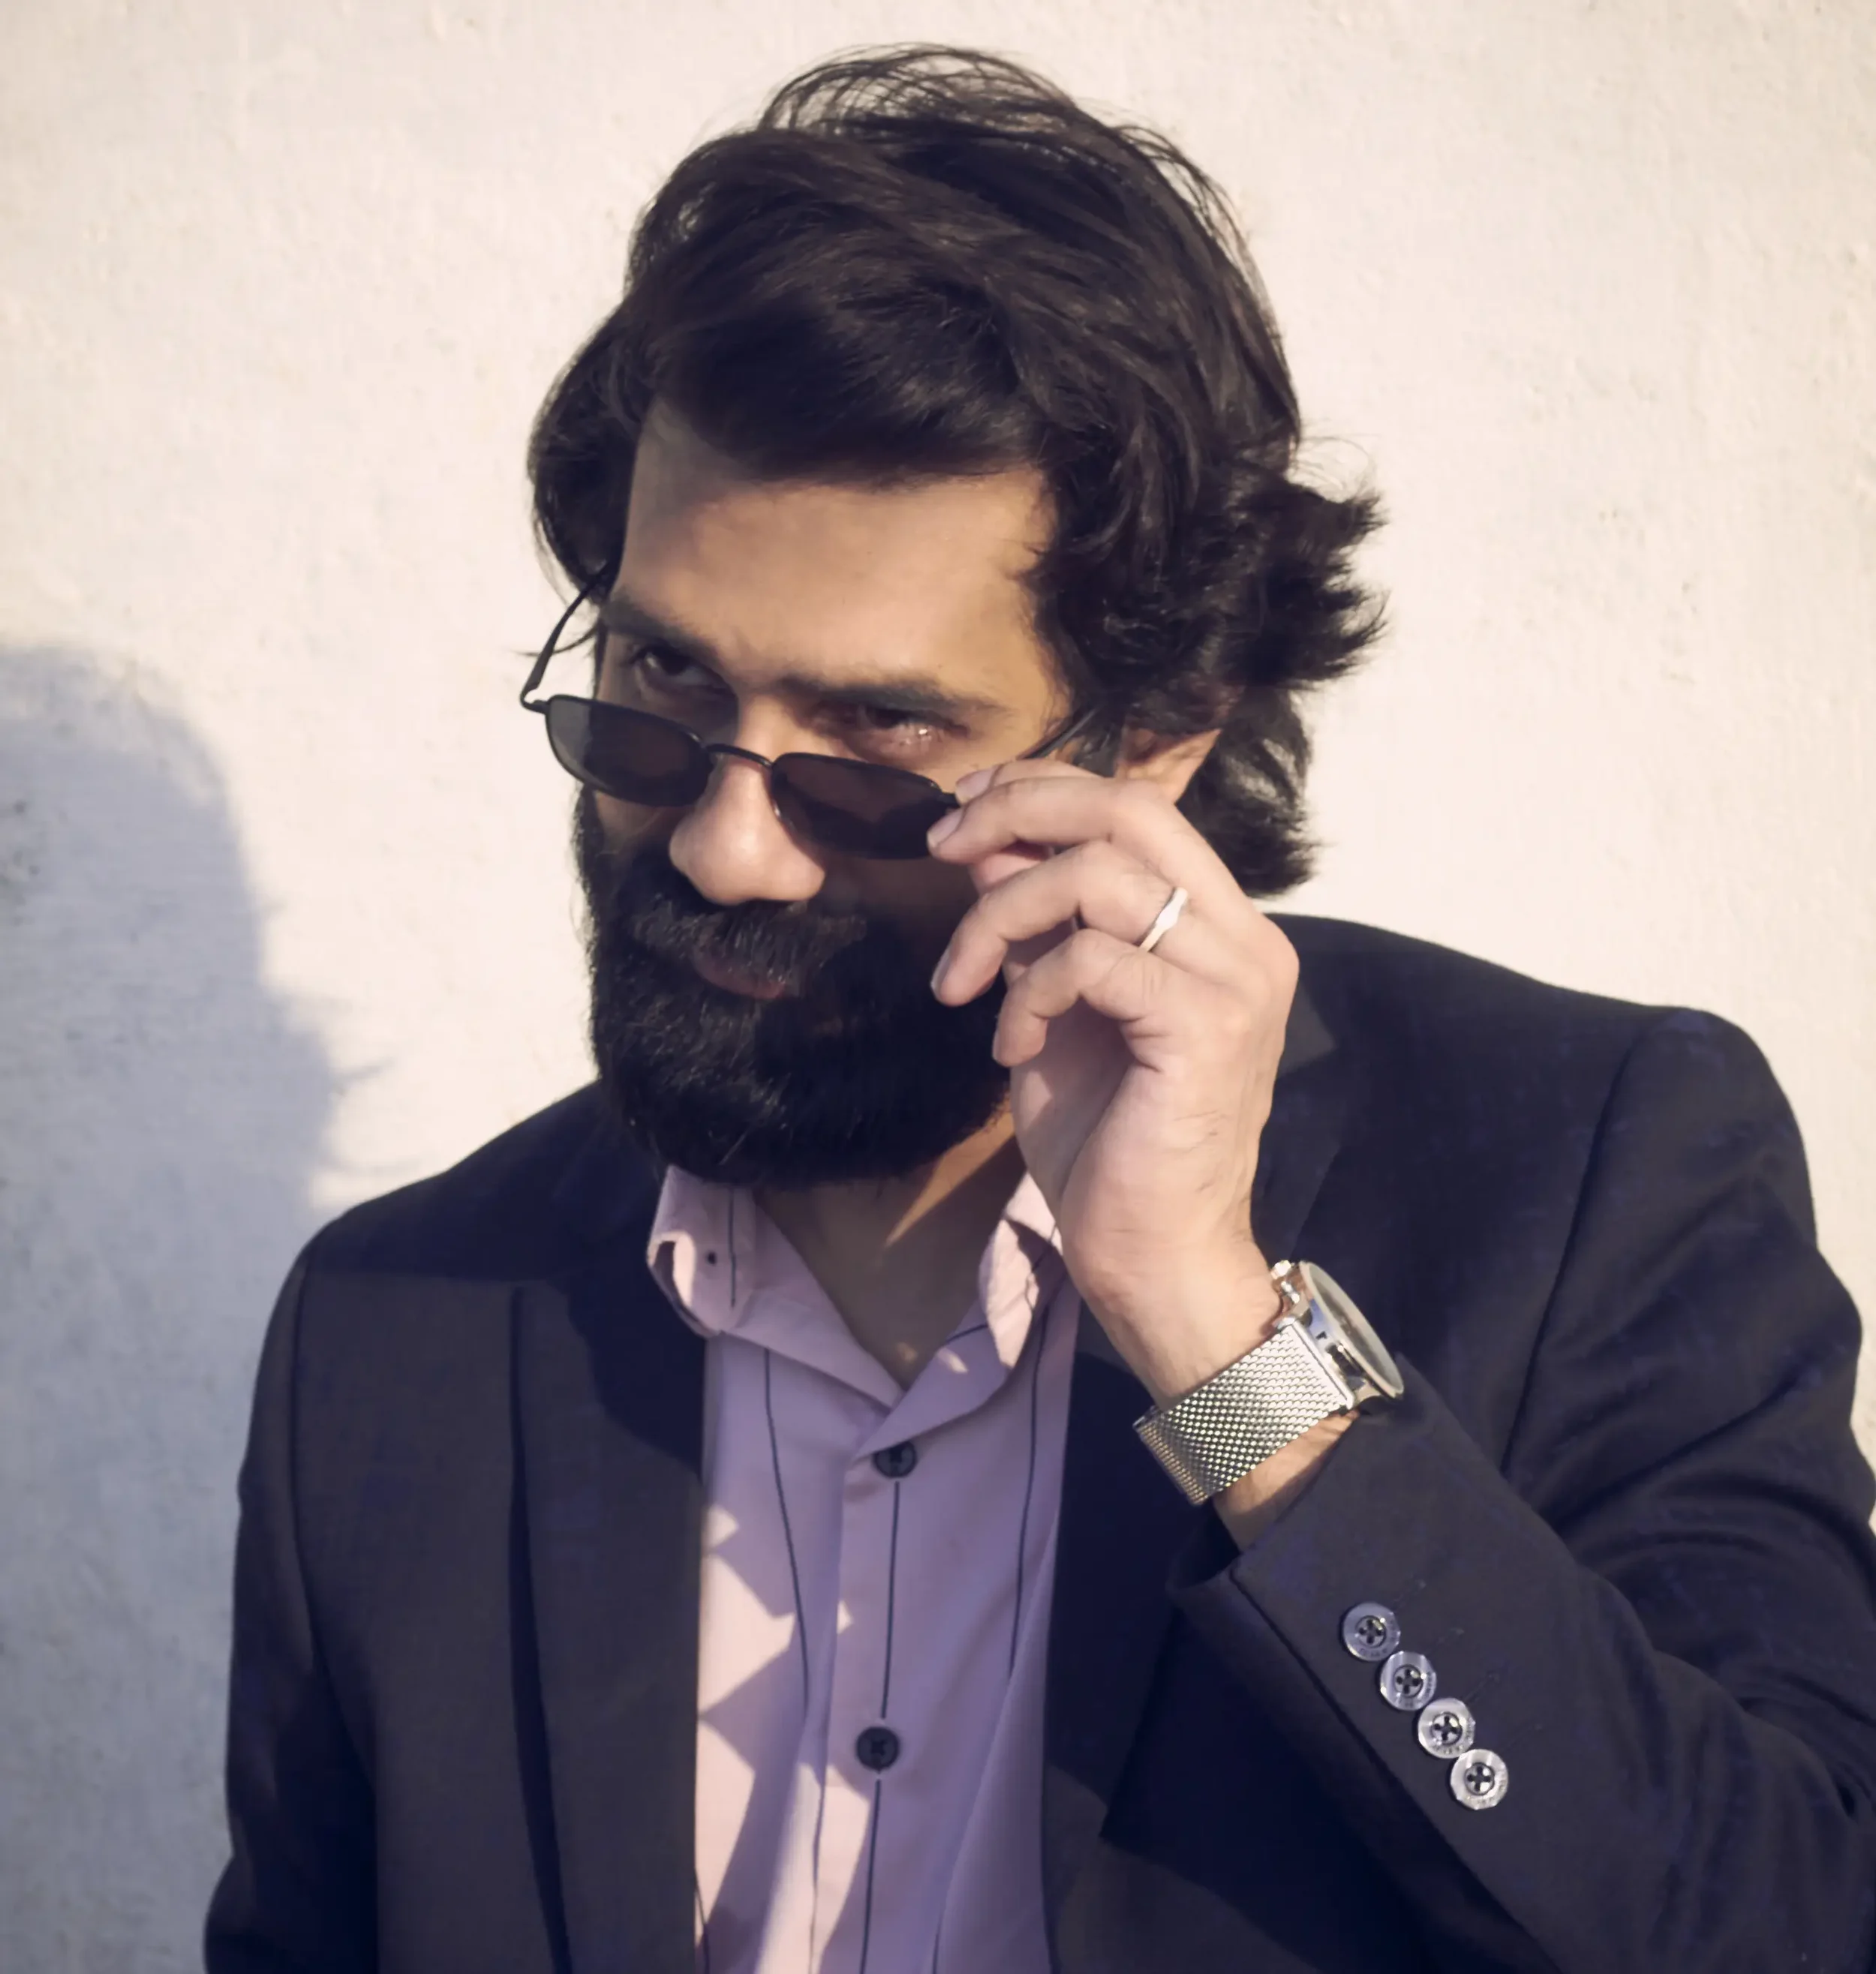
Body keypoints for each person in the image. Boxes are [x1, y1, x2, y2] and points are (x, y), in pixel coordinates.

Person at [203, 45, 1876, 1974]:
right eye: (660, 682)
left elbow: (1783, 1930)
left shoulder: (1592, 1174)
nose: (732, 844)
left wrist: (1217, 1337)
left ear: (1149, 750)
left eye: (882, 737)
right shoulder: (389, 1338)